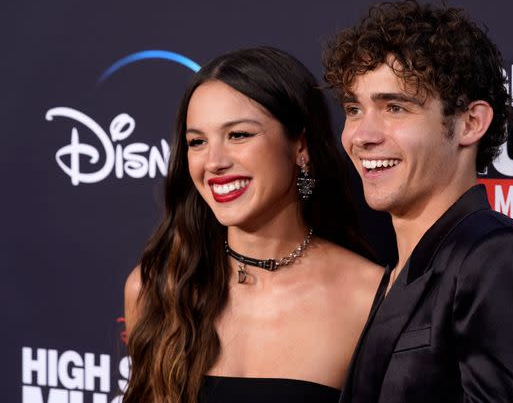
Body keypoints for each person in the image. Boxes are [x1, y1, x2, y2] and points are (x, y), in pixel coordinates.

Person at [323, 0, 513, 403]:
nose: (360, 135)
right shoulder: (404, 267)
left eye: (395, 108)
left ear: (470, 123)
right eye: (354, 108)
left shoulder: (494, 259)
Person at [123, 47, 383, 403]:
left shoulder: (369, 297)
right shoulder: (157, 287)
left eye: (239, 135)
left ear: (300, 146)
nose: (213, 162)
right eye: (197, 142)